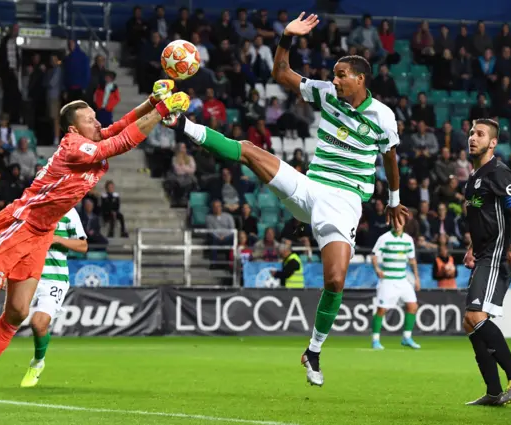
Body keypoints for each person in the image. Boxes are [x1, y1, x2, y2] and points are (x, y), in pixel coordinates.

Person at [167, 12, 408, 387]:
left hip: (344, 201)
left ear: (360, 79)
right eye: (334, 74)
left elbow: (390, 158)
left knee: (335, 280)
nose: (334, 79)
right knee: (249, 150)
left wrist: (393, 200)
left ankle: (313, 351)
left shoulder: (383, 116)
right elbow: (282, 74)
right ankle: (182, 124)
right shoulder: (327, 94)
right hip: (310, 187)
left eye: (341, 74)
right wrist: (286, 37)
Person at [0, 80, 190, 417]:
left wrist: (150, 103)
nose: (98, 123)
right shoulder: (74, 146)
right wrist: (162, 111)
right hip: (18, 226)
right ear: (74, 127)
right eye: (90, 120)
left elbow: (115, 128)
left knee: (17, 312)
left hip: (42, 233)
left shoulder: (91, 138)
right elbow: (118, 143)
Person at [462, 118, 511, 406]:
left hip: (497, 255)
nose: (472, 137)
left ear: (493, 143)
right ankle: (493, 392)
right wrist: (470, 247)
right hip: (482, 254)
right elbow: (482, 219)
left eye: (480, 134)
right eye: (471, 133)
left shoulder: (500, 173)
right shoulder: (474, 177)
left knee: (476, 317)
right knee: (471, 322)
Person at [0, 208, 87, 388]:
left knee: (39, 324)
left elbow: (83, 246)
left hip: (54, 277)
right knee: (9, 319)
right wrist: (7, 271)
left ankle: (37, 363)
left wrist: (57, 239)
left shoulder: (69, 211)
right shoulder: (29, 207)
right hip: (25, 273)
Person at [370, 222, 421, 350]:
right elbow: (374, 256)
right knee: (382, 309)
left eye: (400, 222)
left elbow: (412, 259)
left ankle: (406, 337)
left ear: (404, 224)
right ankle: (375, 340)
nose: (397, 225)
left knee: (413, 306)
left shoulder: (408, 239)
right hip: (387, 280)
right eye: (395, 222)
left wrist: (416, 278)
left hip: (402, 280)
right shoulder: (384, 238)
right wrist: (377, 269)